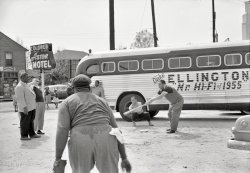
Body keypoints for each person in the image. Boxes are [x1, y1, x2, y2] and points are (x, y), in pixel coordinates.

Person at [54, 74, 131, 173]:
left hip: (80, 138)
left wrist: (58, 158)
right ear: (89, 87)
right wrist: (124, 158)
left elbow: (62, 129)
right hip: (106, 136)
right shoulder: (102, 102)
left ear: (74, 89)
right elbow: (116, 130)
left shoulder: (67, 102)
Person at [15, 72, 41, 140]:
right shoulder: (19, 86)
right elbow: (20, 99)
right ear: (22, 78)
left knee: (30, 121)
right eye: (26, 77)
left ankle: (32, 134)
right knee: (25, 122)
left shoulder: (25, 85)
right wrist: (24, 107)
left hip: (31, 107)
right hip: (26, 108)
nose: (28, 78)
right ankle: (23, 136)